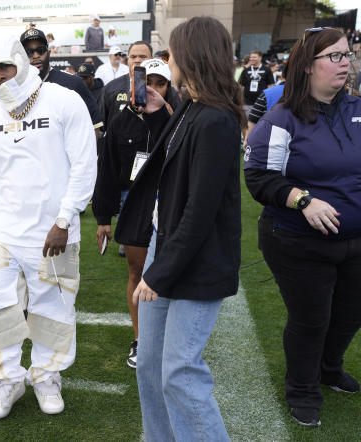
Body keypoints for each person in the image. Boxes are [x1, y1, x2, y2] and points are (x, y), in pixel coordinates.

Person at [115, 16, 244, 440]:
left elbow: (201, 210)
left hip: (196, 261)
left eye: (172, 54)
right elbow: (172, 163)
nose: (167, 62)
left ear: (192, 56)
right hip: (167, 247)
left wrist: (160, 270)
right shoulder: (191, 105)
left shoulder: (217, 119)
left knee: (180, 373)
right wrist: (157, 117)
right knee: (151, 366)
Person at [0, 36, 97, 420]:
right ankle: (6, 379)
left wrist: (64, 219)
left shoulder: (63, 100)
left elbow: (84, 165)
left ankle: (46, 376)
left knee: (53, 307)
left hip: (53, 231)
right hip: (4, 231)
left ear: (22, 62)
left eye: (5, 67)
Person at [244, 27, 360, 427]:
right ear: (308, 66)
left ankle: (329, 369)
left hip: (355, 240)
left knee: (350, 312)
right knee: (312, 319)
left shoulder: (357, 110)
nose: (346, 63)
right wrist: (303, 201)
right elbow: (259, 177)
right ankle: (302, 389)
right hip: (296, 240)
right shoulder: (281, 118)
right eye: (336, 57)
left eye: (348, 55)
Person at [93, 58, 180, 369]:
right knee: (137, 273)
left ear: (170, 88)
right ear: (134, 84)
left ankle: (169, 340)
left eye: (161, 83)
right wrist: (103, 217)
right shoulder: (120, 121)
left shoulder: (178, 119)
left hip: (172, 207)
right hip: (137, 205)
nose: (153, 89)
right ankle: (141, 338)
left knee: (171, 275)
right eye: (147, 82)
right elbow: (107, 170)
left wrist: (164, 116)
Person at [20, 28, 103, 135]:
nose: (35, 56)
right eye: (29, 52)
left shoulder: (73, 83)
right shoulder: (17, 89)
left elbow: (94, 127)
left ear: (49, 52)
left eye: (40, 50)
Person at [99, 41, 152, 133]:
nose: (137, 60)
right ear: (128, 59)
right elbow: (102, 126)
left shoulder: (163, 86)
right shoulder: (111, 87)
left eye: (143, 57)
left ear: (152, 59)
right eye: (133, 57)